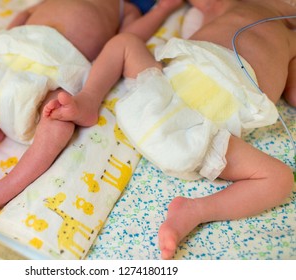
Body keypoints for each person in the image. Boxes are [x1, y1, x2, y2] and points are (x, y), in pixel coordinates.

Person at [44, 0, 296, 259]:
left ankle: (196, 211)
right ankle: (89, 99)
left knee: (281, 179)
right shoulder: (237, 4)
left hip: (205, 134)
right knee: (125, 41)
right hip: (162, 90)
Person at [0, 0, 184, 215]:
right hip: (6, 61)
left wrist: (161, 9)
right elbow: (25, 14)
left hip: (50, 79)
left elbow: (128, 39)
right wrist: (7, 40)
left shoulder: (122, 8)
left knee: (59, 118)